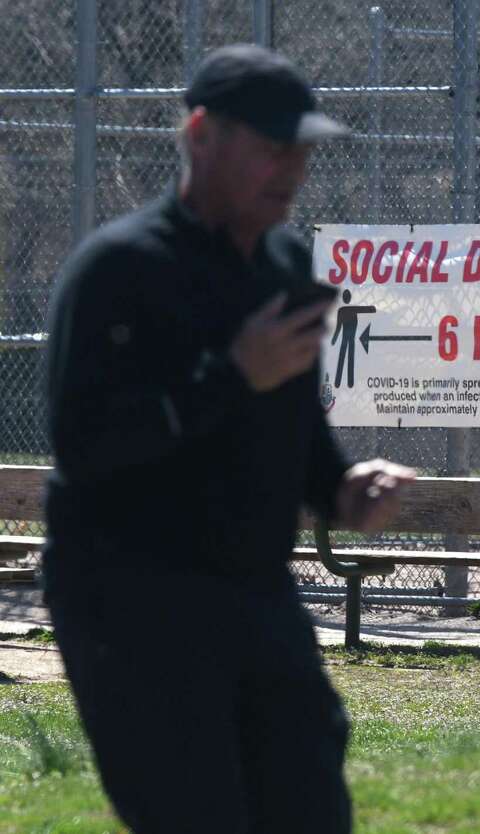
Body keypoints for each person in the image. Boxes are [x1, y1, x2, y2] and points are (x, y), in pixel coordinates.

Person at [42, 44, 414, 834]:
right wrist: (232, 374)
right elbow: (84, 449)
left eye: (304, 150)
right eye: (275, 146)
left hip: (254, 592)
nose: (294, 168)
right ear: (201, 134)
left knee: (312, 808)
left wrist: (341, 488)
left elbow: (294, 425)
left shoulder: (281, 261)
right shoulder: (119, 269)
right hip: (131, 601)